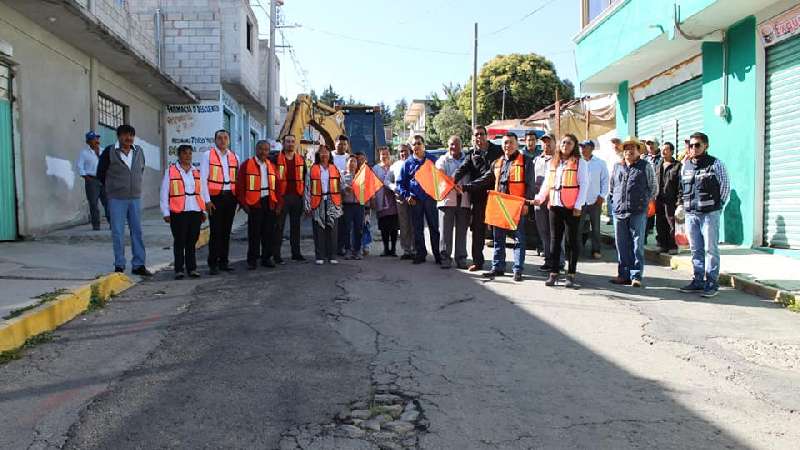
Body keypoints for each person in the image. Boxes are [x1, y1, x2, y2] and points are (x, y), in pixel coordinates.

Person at [464, 133, 535, 281]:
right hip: (499, 205)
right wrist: (467, 187)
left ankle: (518, 269)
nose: (507, 146)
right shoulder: (497, 162)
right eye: (505, 143)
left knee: (518, 239)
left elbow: (530, 185)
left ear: (517, 144)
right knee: (498, 238)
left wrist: (527, 203)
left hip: (516, 206)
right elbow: (485, 179)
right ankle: (497, 267)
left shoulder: (526, 162)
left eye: (510, 143)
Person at [678, 132, 730, 298]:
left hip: (709, 214)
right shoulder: (685, 166)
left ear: (706, 145)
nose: (693, 148)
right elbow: (682, 189)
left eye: (697, 145)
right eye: (691, 145)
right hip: (691, 214)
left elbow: (725, 187)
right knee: (695, 249)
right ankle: (698, 280)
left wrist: (717, 206)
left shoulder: (715, 164)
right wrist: (681, 206)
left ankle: (712, 282)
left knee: (710, 249)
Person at [534, 134, 589, 288]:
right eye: (563, 142)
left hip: (572, 207)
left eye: (569, 143)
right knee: (554, 241)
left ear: (574, 145)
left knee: (571, 241)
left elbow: (584, 185)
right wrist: (540, 197)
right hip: (555, 205)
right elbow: (547, 183)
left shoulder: (580, 163)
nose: (566, 145)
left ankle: (571, 274)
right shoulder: (554, 162)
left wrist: (579, 205)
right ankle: (554, 272)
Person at [96, 124, 152, 276]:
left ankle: (139, 265)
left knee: (137, 232)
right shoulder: (109, 152)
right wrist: (112, 188)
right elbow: (100, 173)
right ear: (119, 136)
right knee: (118, 232)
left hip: (134, 198)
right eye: (125, 135)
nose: (129, 138)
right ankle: (119, 264)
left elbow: (141, 169)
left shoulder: (139, 151)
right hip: (116, 199)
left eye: (131, 135)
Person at [608, 137, 657, 287]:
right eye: (626, 148)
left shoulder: (645, 166)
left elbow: (653, 187)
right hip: (619, 211)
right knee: (621, 244)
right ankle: (623, 275)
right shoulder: (617, 166)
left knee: (637, 244)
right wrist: (613, 202)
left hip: (638, 211)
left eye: (632, 148)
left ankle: (636, 275)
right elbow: (612, 187)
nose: (629, 151)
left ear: (638, 151)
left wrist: (645, 202)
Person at [453, 125, 502, 271]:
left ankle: (499, 264)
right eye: (476, 135)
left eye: (481, 134)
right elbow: (461, 170)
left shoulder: (498, 152)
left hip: (496, 196)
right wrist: (451, 181)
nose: (479, 137)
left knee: (498, 231)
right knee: (478, 230)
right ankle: (478, 261)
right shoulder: (471, 154)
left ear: (486, 136)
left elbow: (490, 176)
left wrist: (466, 187)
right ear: (473, 138)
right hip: (479, 198)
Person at [160, 144, 206, 279]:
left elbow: (201, 192)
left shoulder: (195, 172)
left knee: (192, 241)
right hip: (178, 211)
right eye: (185, 153)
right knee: (179, 241)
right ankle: (179, 269)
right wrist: (166, 212)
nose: (188, 156)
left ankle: (192, 269)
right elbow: (164, 193)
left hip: (195, 210)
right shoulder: (171, 171)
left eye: (190, 154)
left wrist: (203, 211)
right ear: (179, 155)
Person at [200, 129, 239, 274]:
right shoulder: (207, 155)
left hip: (230, 198)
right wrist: (207, 201)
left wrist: (238, 199)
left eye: (225, 138)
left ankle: (224, 262)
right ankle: (213, 264)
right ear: (215, 140)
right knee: (216, 231)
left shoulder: (235, 156)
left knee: (226, 232)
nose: (223, 140)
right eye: (220, 138)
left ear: (229, 140)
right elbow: (203, 179)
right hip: (215, 198)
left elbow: (238, 180)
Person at [398, 135, 441, 265]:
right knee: (417, 228)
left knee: (434, 227)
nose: (416, 146)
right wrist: (407, 195)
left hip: (430, 198)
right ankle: (420, 253)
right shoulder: (408, 163)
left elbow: (441, 178)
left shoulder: (432, 160)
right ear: (411, 147)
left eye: (418, 143)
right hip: (415, 200)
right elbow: (400, 183)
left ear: (423, 145)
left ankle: (437, 254)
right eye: (414, 144)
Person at [237, 140, 279, 270]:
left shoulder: (271, 165)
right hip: (254, 202)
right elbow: (240, 185)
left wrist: (278, 204)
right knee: (254, 233)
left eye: (266, 149)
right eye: (261, 149)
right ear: (256, 149)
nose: (263, 152)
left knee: (268, 233)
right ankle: (252, 260)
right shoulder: (247, 164)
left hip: (269, 201)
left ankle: (267, 258)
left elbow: (277, 186)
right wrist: (243, 203)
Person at [436, 135, 470, 270]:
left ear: (461, 145)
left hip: (464, 200)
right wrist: (455, 184)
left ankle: (461, 258)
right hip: (446, 201)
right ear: (447, 145)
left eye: (456, 144)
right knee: (445, 232)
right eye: (451, 144)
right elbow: (442, 177)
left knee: (462, 231)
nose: (453, 147)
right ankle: (445, 258)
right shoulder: (442, 160)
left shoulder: (468, 159)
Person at [305, 142, 342, 265]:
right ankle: (319, 255)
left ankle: (332, 255)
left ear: (329, 154)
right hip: (317, 202)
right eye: (321, 152)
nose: (324, 154)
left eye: (326, 151)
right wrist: (307, 205)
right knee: (319, 229)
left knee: (333, 229)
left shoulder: (334, 168)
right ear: (318, 154)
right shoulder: (313, 169)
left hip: (333, 202)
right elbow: (307, 188)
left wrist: (347, 188)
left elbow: (341, 183)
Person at [272, 134, 306, 262]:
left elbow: (304, 177)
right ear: (283, 143)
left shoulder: (301, 160)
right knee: (278, 227)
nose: (290, 144)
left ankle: (296, 253)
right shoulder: (275, 159)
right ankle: (276, 255)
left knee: (295, 227)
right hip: (282, 197)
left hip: (297, 197)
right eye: (288, 141)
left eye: (292, 141)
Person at [533, 132, 564, 272]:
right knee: (543, 231)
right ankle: (548, 259)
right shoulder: (536, 160)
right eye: (544, 142)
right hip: (539, 200)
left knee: (556, 232)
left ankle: (559, 260)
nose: (546, 144)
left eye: (549, 141)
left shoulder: (560, 160)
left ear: (555, 143)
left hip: (554, 200)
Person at [578, 140, 609, 260]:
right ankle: (578, 250)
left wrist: (602, 196)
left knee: (596, 228)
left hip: (595, 200)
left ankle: (596, 250)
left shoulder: (600, 163)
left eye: (584, 147)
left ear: (591, 148)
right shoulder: (577, 162)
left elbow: (605, 181)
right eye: (581, 147)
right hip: (580, 201)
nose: (582, 149)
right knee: (578, 228)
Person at [385, 144, 415, 259]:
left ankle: (416, 248)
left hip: (414, 197)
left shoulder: (415, 162)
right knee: (404, 224)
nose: (403, 153)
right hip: (401, 197)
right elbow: (386, 180)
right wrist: (394, 187)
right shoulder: (395, 165)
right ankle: (406, 250)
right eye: (401, 151)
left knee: (414, 223)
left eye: (405, 151)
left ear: (410, 151)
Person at [77, 131, 109, 230]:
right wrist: (87, 178)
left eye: (97, 138)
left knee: (108, 202)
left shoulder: (104, 151)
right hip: (92, 180)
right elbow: (79, 166)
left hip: (104, 180)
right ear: (88, 142)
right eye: (93, 139)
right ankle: (96, 225)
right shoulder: (84, 153)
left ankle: (113, 223)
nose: (96, 140)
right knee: (93, 203)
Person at [655, 142, 682, 255]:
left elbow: (681, 185)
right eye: (662, 149)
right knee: (660, 223)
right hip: (659, 199)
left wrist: (679, 201)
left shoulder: (678, 166)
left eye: (666, 149)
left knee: (671, 223)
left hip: (671, 200)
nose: (663, 151)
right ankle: (662, 245)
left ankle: (672, 246)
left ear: (671, 151)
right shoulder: (658, 165)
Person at [373, 147, 399, 257]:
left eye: (386, 154)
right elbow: (373, 185)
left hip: (393, 200)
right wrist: (373, 199)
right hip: (381, 200)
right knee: (384, 227)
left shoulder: (394, 167)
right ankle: (385, 249)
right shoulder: (375, 168)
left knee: (394, 227)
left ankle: (393, 249)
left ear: (390, 155)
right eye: (382, 154)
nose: (384, 156)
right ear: (379, 156)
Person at [341, 155, 365, 260]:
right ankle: (347, 250)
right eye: (350, 161)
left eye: (354, 161)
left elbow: (365, 191)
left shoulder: (361, 175)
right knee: (346, 228)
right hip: (347, 205)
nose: (352, 163)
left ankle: (357, 250)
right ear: (346, 163)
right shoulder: (342, 175)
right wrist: (344, 188)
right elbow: (338, 187)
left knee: (358, 228)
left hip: (359, 205)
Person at [606, 137, 624, 225]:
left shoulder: (623, 155)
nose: (615, 145)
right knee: (609, 199)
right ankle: (611, 218)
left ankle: (617, 217)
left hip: (620, 183)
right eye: (613, 143)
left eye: (616, 143)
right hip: (610, 181)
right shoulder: (610, 155)